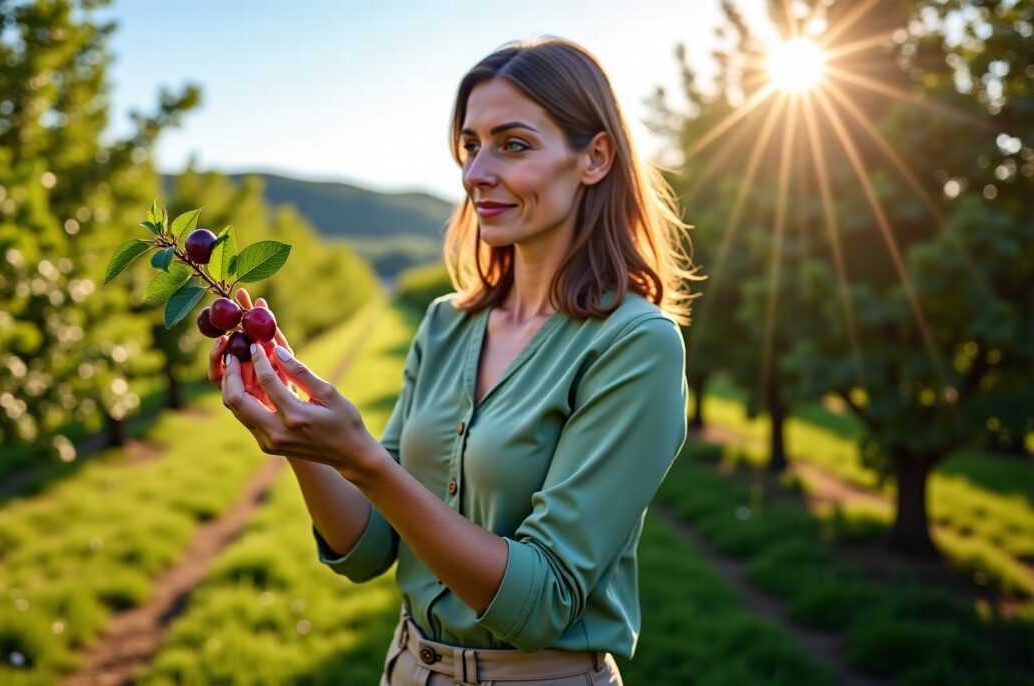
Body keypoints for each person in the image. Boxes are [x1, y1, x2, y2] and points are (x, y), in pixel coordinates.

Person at [210, 35, 695, 686]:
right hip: (408, 668)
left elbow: (543, 602)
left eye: (513, 145)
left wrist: (365, 460)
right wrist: (297, 434)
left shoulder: (634, 344)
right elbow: (369, 548)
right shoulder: (445, 324)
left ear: (594, 158)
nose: (475, 174)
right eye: (470, 146)